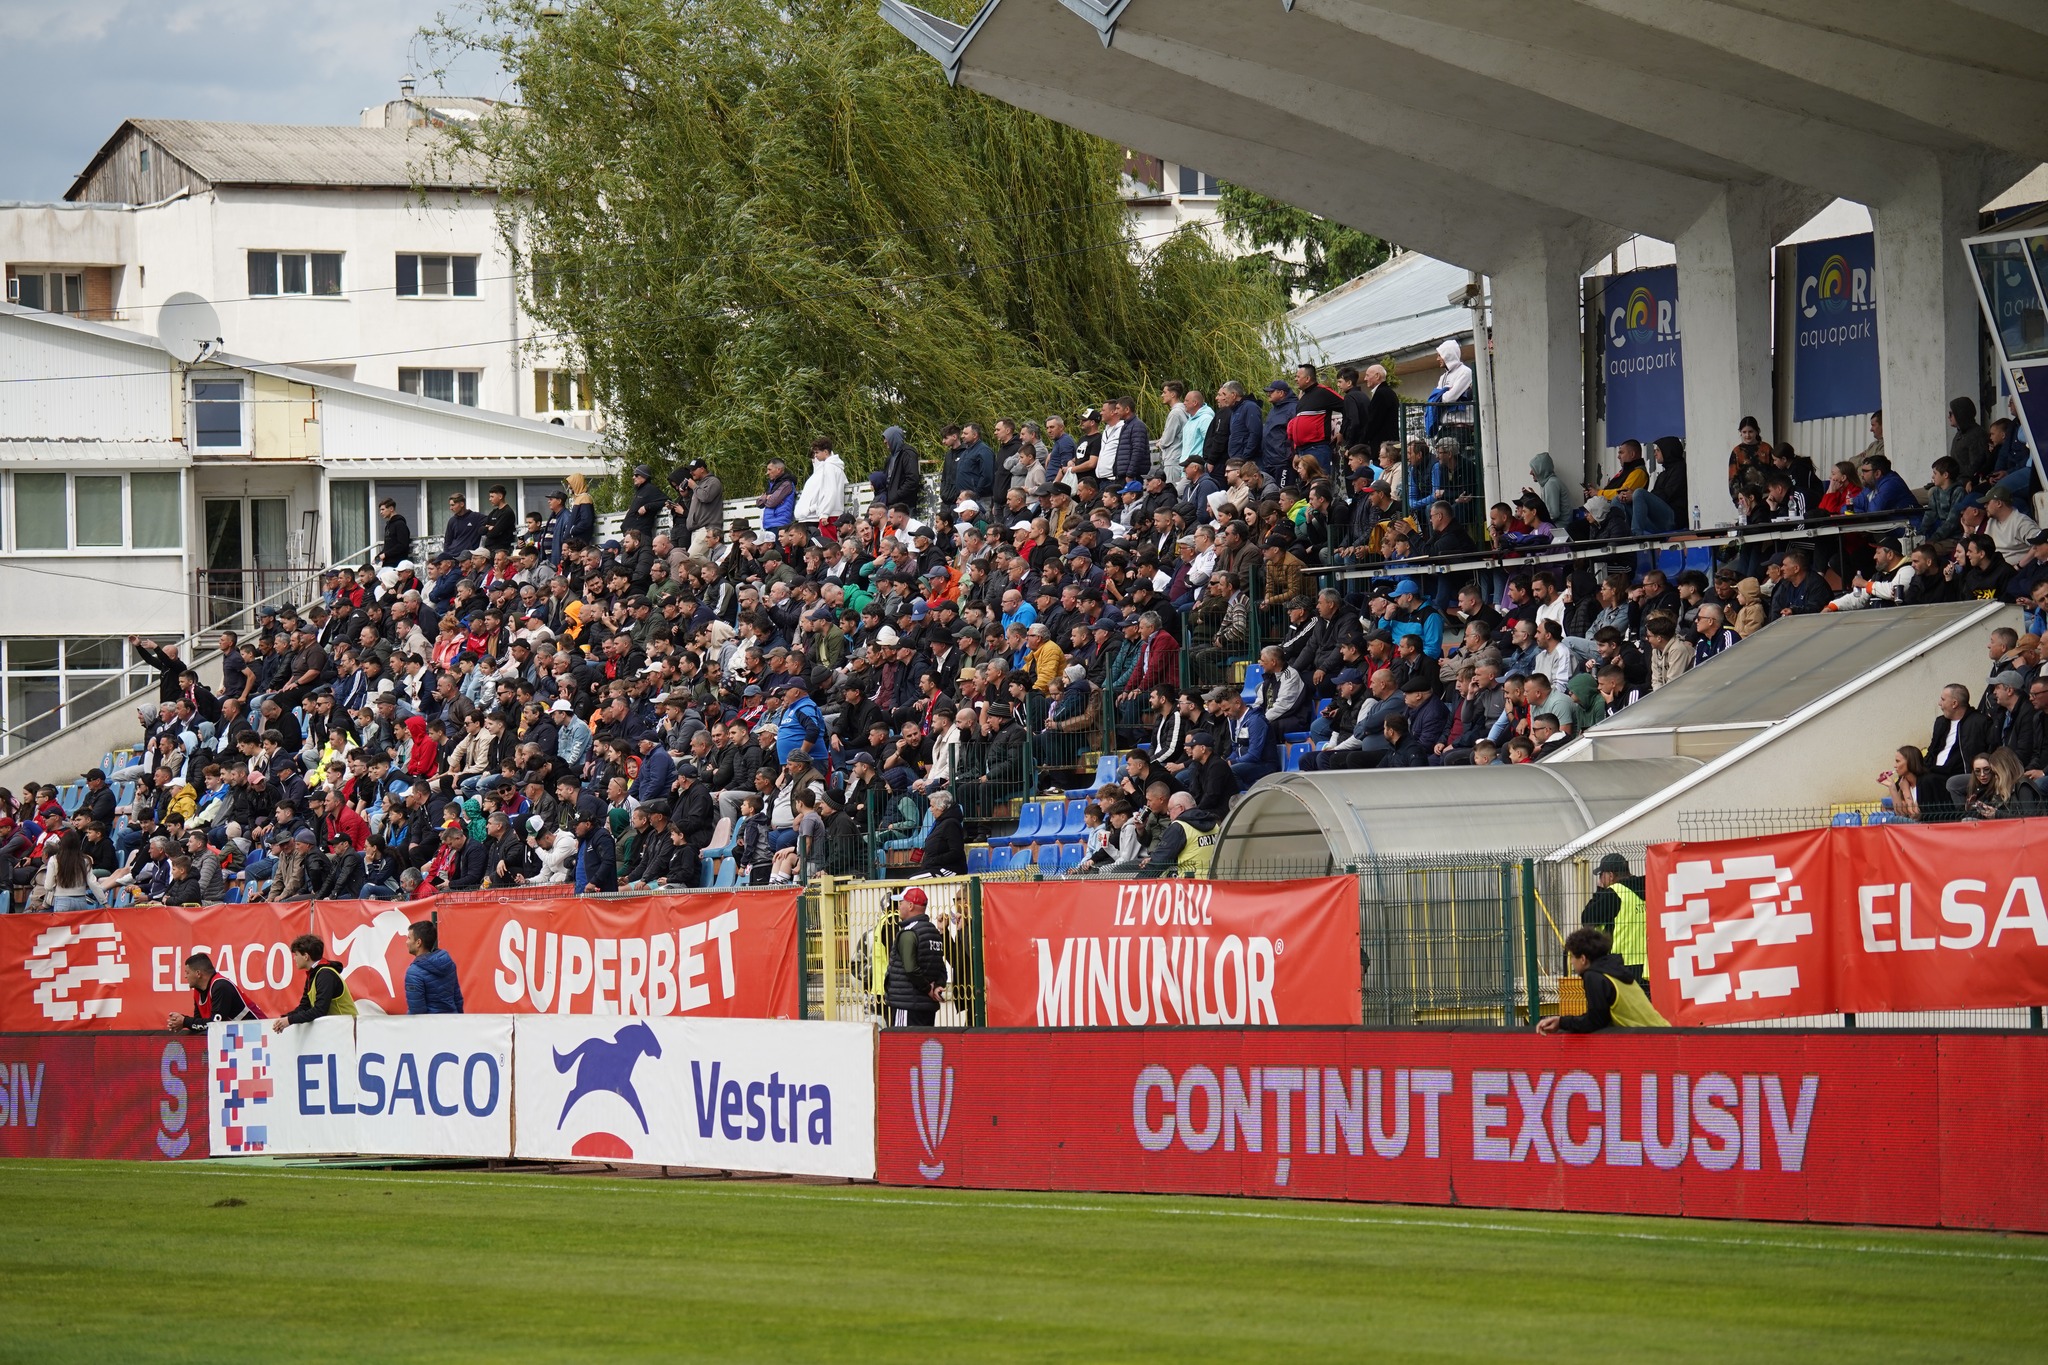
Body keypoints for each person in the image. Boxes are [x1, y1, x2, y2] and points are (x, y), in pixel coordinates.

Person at [1536, 928, 1668, 1033]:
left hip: (1652, 1041)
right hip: (1662, 1032)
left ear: (1583, 959)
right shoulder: (1613, 970)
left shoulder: (1594, 977)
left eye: (1572, 957)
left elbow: (1595, 1021)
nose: (1570, 962)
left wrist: (1561, 1022)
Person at [883, 885, 948, 1028]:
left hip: (906, 1004)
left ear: (911, 905)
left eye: (901, 902)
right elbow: (940, 967)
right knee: (921, 1046)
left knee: (903, 1046)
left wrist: (928, 989)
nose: (898, 906)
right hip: (927, 1007)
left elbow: (911, 968)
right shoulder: (933, 931)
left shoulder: (909, 932)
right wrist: (937, 986)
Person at [1579, 852, 1647, 979]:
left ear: (1610, 875)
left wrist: (1600, 891)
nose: (1600, 880)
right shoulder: (1647, 887)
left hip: (1620, 964)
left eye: (1601, 875)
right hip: (1648, 964)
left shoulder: (1615, 893)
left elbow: (1587, 919)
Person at [271, 934, 358, 1032]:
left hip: (348, 1030)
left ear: (306, 956)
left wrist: (289, 1020)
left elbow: (319, 1010)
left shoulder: (325, 974)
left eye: (296, 954)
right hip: (338, 1030)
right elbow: (304, 1007)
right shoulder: (314, 974)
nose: (294, 958)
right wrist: (284, 1019)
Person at [167, 952, 260, 1032]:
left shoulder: (221, 986)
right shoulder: (198, 991)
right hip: (238, 1037)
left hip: (258, 1033)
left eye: (187, 972)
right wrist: (181, 1021)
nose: (185, 976)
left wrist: (185, 1021)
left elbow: (215, 1025)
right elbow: (200, 1024)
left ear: (198, 974)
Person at [404, 919, 465, 1015]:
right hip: (452, 1024)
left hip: (429, 1028)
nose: (406, 942)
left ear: (418, 942)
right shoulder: (449, 964)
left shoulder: (413, 973)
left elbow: (417, 1012)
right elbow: (458, 999)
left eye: (409, 938)